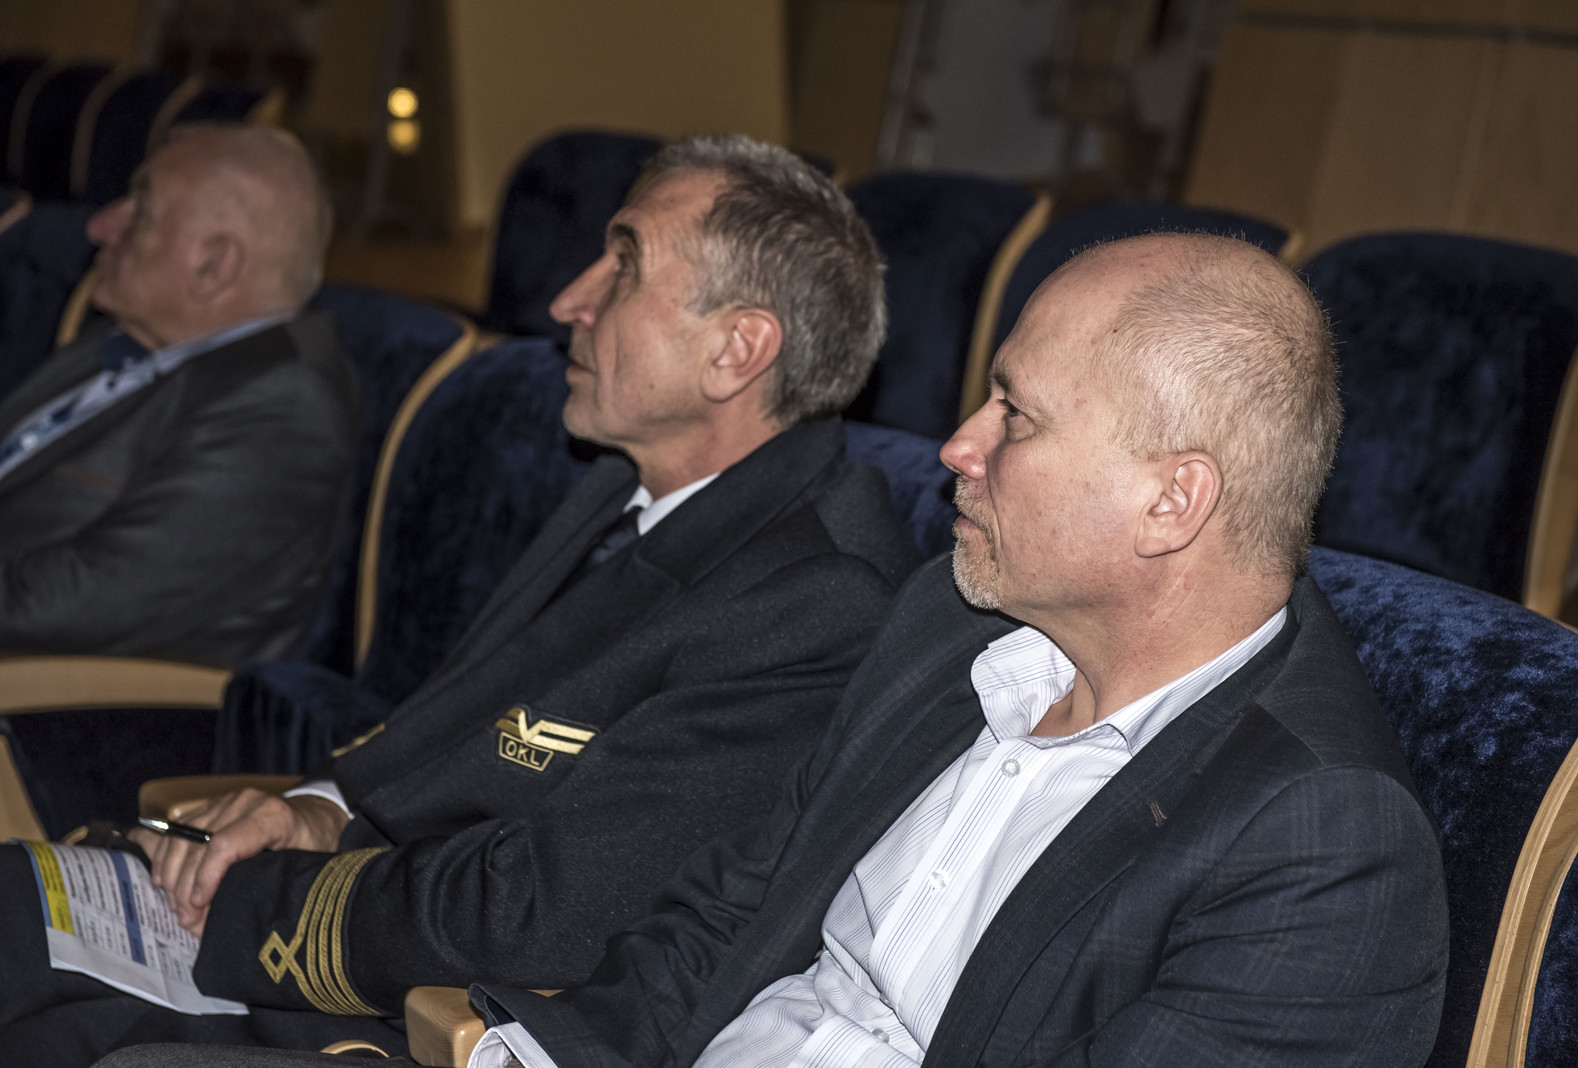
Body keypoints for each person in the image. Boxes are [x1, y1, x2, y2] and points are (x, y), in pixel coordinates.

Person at [0, 135, 920, 1065]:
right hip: (357, 924)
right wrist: (316, 807)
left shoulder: (815, 599)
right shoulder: (628, 489)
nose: (569, 300)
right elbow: (458, 734)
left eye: (624, 265)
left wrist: (247, 906)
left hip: (409, 1009)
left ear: (736, 350)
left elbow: (541, 914)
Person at [446, 233, 1448, 1065]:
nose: (958, 447)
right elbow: (734, 910)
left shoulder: (1320, 847)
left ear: (1170, 502)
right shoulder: (952, 622)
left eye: (1016, 415)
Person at [0, 124, 356, 667]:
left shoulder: (283, 411)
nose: (99, 226)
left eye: (140, 211)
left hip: (67, 700)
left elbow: (81, 601)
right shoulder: (124, 339)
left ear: (215, 265)